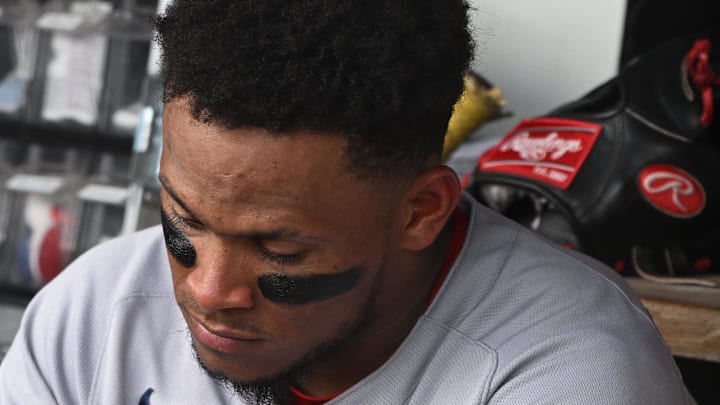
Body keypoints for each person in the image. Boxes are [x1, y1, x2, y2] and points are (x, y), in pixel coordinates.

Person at [0, 1, 695, 404]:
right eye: (184, 220)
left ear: (421, 210)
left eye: (279, 247)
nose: (208, 289)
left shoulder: (573, 376)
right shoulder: (93, 317)